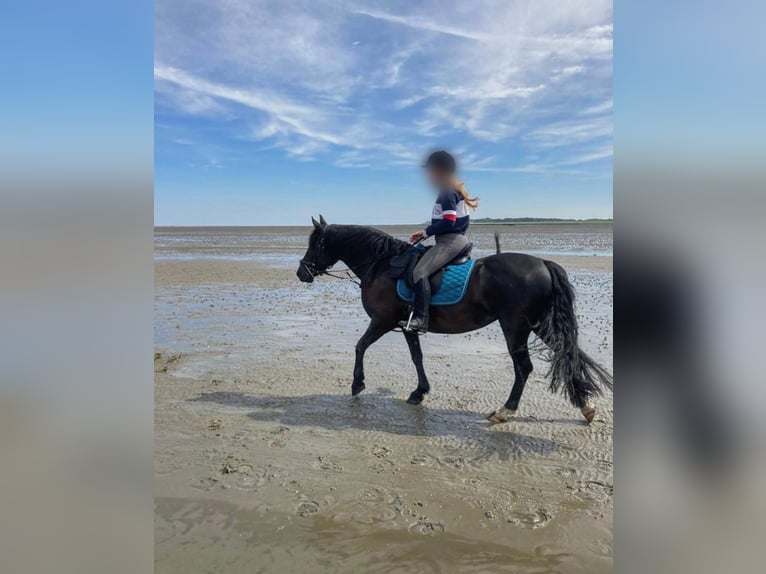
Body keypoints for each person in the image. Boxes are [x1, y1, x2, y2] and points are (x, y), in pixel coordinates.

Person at [399, 150, 479, 333]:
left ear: (440, 171)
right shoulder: (450, 190)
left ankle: (421, 319)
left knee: (420, 271)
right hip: (448, 239)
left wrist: (427, 231)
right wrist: (425, 233)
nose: (428, 175)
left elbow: (449, 221)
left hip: (450, 241)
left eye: (430, 171)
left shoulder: (447, 192)